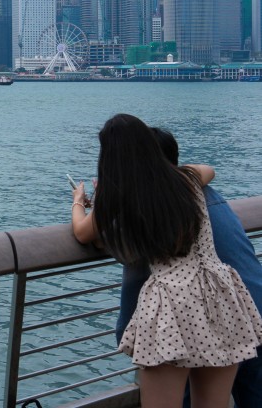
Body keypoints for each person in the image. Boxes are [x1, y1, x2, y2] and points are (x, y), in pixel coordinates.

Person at [71, 114, 262, 408]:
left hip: (173, 306)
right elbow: (208, 170)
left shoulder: (122, 195)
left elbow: (83, 233)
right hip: (224, 296)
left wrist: (79, 200)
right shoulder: (188, 179)